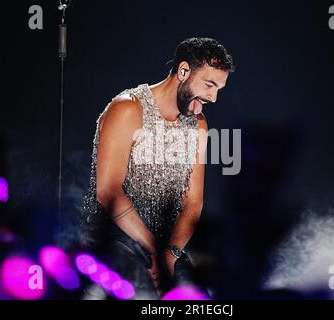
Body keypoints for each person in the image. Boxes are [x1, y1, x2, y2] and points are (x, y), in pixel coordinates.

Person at [78, 37, 234, 299]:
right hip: (114, 239)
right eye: (209, 85)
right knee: (141, 292)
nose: (213, 97)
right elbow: (109, 193)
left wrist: (170, 253)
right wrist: (153, 251)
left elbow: (193, 202)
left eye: (219, 88)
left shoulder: (198, 124)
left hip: (164, 247)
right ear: (183, 71)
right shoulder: (127, 108)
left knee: (196, 297)